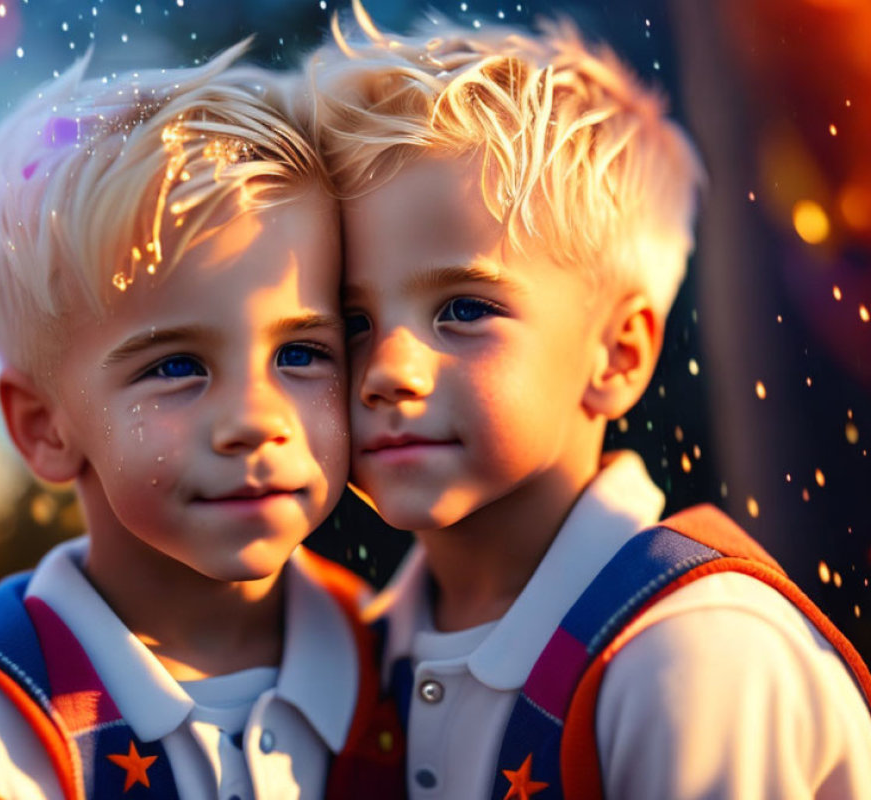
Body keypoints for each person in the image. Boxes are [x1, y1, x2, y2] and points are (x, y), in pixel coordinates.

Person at [308, 5, 871, 798]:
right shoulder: (342, 660)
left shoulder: (691, 651)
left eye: (465, 309)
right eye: (351, 322)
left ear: (619, 353)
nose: (388, 369)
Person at [0, 42, 402, 800]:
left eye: (301, 353)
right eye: (175, 366)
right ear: (45, 427)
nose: (255, 420)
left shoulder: (406, 664)